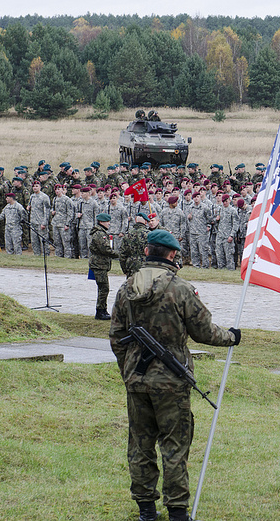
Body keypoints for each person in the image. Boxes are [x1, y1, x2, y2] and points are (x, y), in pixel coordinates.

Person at [110, 229, 241, 521]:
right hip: (171, 380)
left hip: (136, 380)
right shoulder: (179, 288)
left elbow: (116, 336)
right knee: (175, 443)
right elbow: (204, 331)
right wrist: (231, 337)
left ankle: (146, 509)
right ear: (171, 255)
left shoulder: (126, 287)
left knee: (140, 443)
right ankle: (178, 511)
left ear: (146, 252)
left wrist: (128, 370)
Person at [89, 213, 120, 320]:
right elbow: (105, 249)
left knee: (103, 288)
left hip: (100, 264)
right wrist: (119, 254)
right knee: (104, 288)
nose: (109, 223)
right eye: (107, 222)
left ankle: (103, 309)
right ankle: (100, 311)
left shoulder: (100, 233)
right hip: (99, 265)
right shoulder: (99, 234)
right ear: (101, 222)